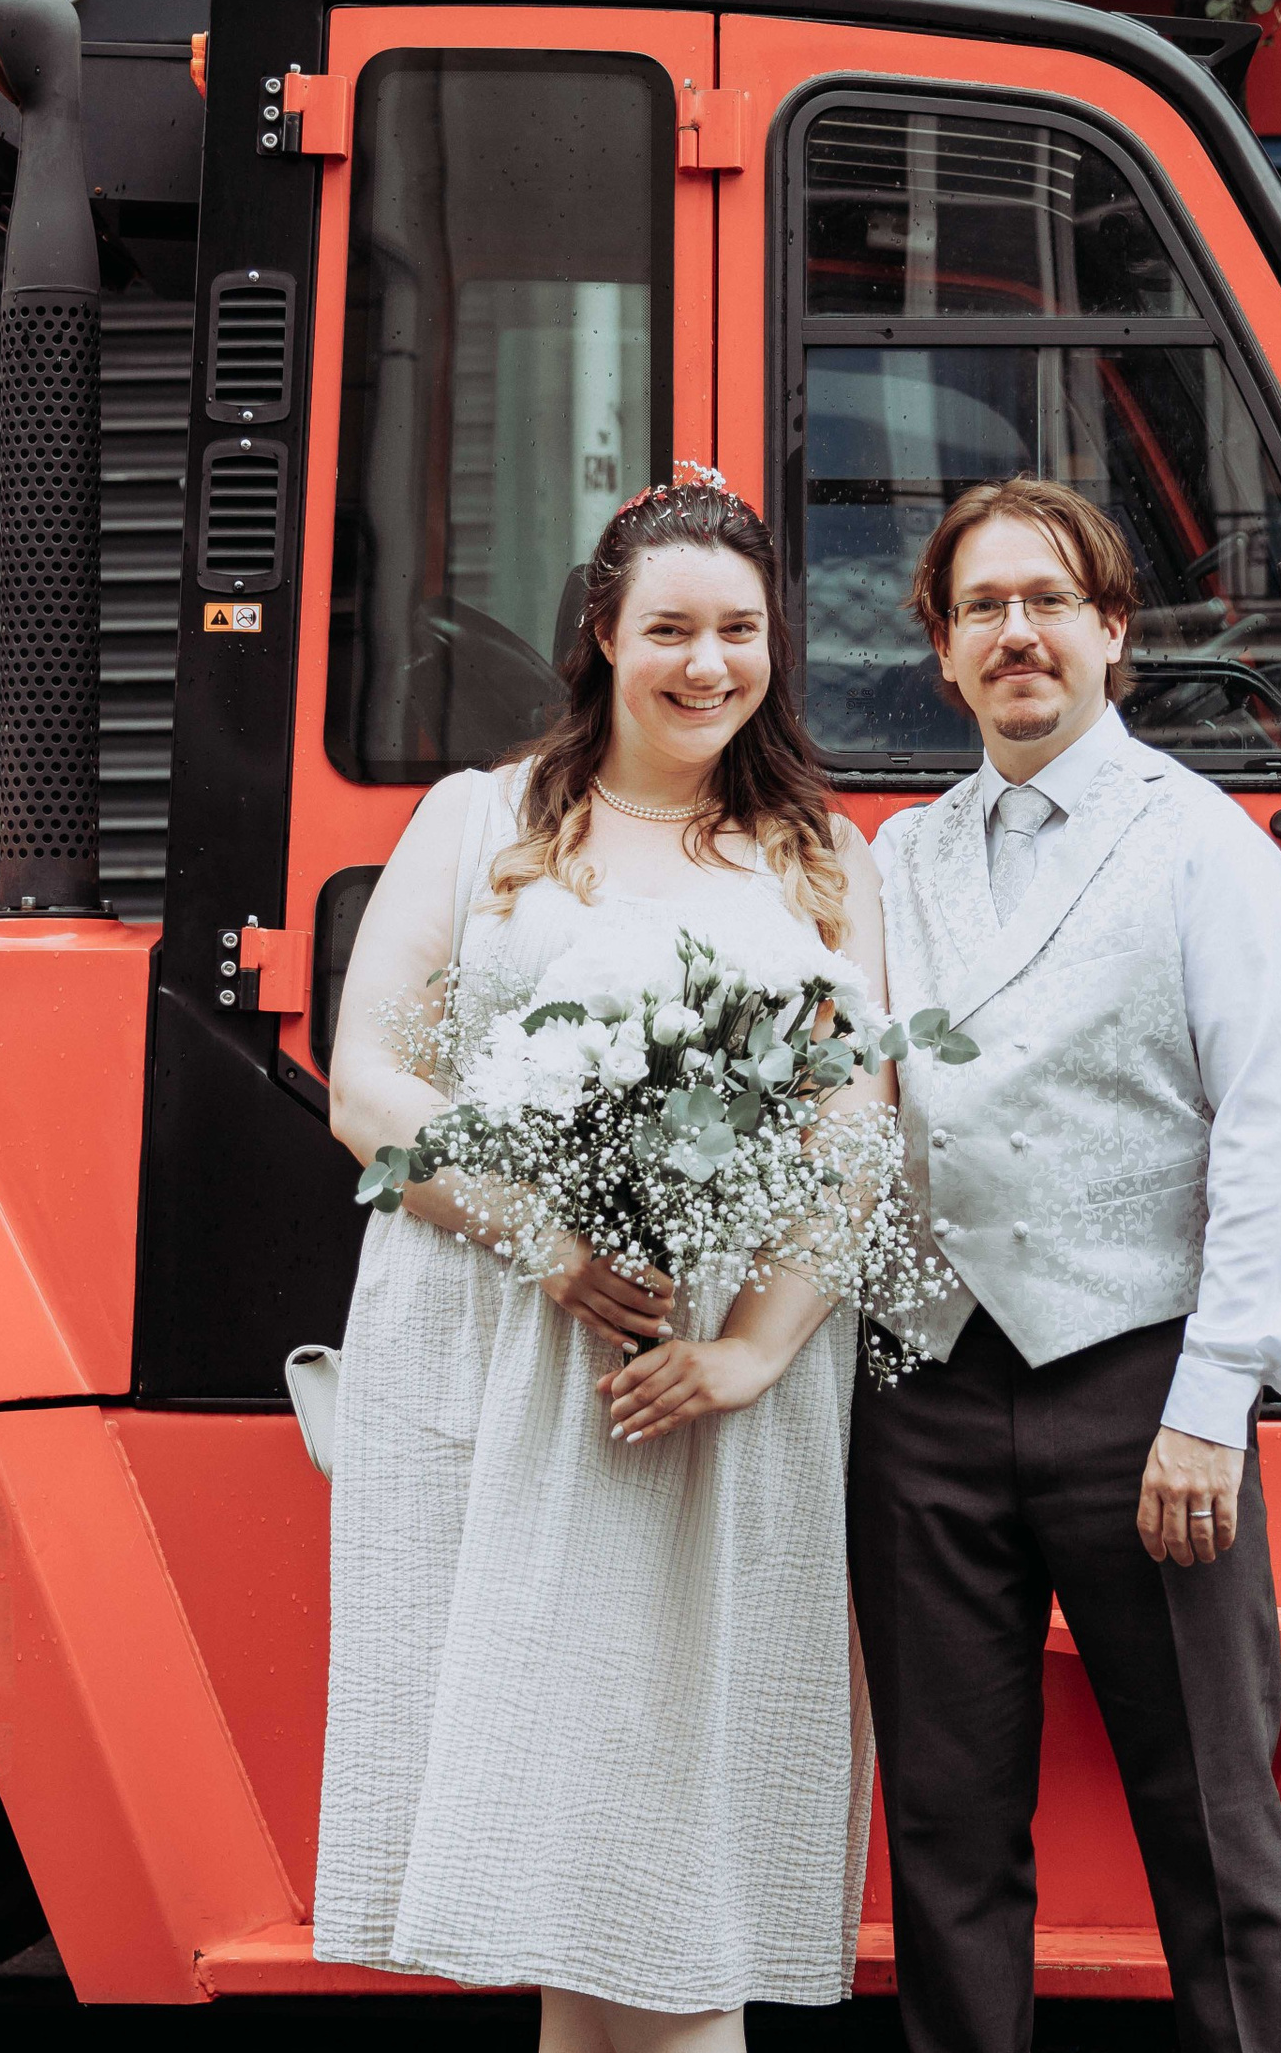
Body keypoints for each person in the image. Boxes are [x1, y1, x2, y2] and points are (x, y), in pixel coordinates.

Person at [316, 470, 892, 2053]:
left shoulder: (821, 855)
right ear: (603, 635)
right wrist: (552, 1240)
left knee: (679, 1834)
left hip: (712, 1393)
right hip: (513, 1355)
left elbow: (854, 1137)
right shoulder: (478, 822)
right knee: (566, 1836)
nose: (708, 664)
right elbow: (367, 1081)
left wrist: (757, 1348)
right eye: (671, 630)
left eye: (741, 630)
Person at [857, 475, 1281, 2053]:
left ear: (1112, 633)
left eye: (1049, 601)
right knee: (942, 1839)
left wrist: (1215, 1402)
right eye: (982, 609)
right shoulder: (895, 862)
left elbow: (1272, 1134)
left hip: (1139, 1389)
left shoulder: (1206, 849)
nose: (1018, 636)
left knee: (1214, 1836)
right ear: (940, 651)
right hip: (923, 1390)